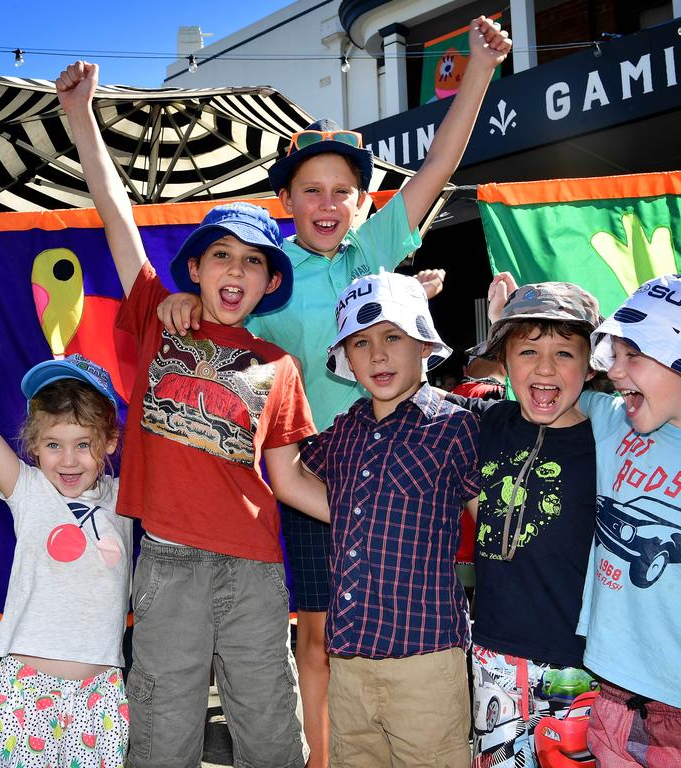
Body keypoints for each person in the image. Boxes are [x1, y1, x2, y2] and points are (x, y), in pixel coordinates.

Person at [156, 17, 511, 765]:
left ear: (363, 199)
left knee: (389, 617)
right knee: (315, 634)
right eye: (310, 189)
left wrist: (477, 67)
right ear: (285, 198)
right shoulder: (268, 268)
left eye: (343, 191)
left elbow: (440, 163)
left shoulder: (376, 246)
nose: (327, 202)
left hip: (395, 459)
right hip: (307, 469)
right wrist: (180, 305)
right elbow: (217, 313)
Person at [57, 60, 330, 768]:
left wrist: (365, 510)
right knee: (163, 716)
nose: (234, 273)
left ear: (270, 281)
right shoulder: (157, 317)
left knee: (269, 719)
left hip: (256, 567)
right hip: (170, 560)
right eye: (220, 257)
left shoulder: (280, 365)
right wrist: (83, 116)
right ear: (196, 268)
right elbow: (115, 213)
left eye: (251, 263)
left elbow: (290, 477)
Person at [299, 271, 480, 768]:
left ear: (424, 343)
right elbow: (290, 477)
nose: (377, 354)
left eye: (392, 337)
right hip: (350, 663)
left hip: (425, 661)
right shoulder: (344, 431)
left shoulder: (458, 425)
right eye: (361, 342)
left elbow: (496, 527)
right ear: (346, 359)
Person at [0, 327, 131, 768]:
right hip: (28, 687)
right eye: (53, 445)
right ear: (34, 446)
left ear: (109, 442)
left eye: (84, 445)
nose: (68, 460)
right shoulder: (29, 489)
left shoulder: (124, 497)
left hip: (101, 691)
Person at [447, 279, 603, 768]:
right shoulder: (484, 422)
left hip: (580, 664)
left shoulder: (614, 439)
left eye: (564, 353)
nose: (545, 367)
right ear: (505, 359)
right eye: (529, 350)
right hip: (493, 651)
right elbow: (407, 387)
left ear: (590, 362)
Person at [575, 274, 681, 765]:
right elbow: (548, 387)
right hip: (614, 697)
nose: (613, 371)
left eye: (632, 356)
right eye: (613, 355)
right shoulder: (614, 420)